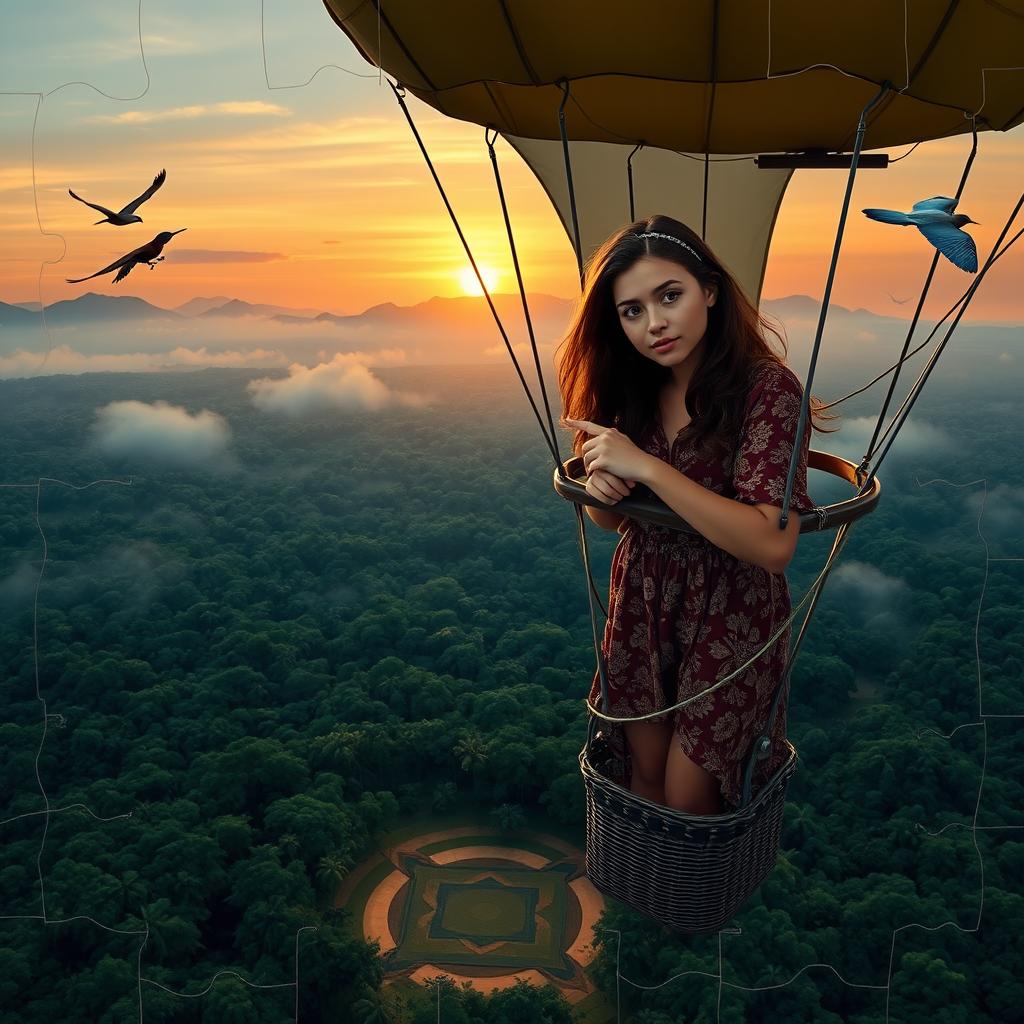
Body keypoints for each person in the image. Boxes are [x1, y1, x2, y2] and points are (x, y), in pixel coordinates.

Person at [557, 214, 837, 816]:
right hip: (644, 595)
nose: (654, 323)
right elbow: (616, 524)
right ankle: (654, 899)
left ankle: (701, 897)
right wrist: (608, 482)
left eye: (669, 296)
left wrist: (650, 469)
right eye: (631, 311)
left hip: (732, 607)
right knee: (644, 780)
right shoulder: (635, 387)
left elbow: (772, 544)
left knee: (690, 791)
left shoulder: (767, 390)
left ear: (709, 291)